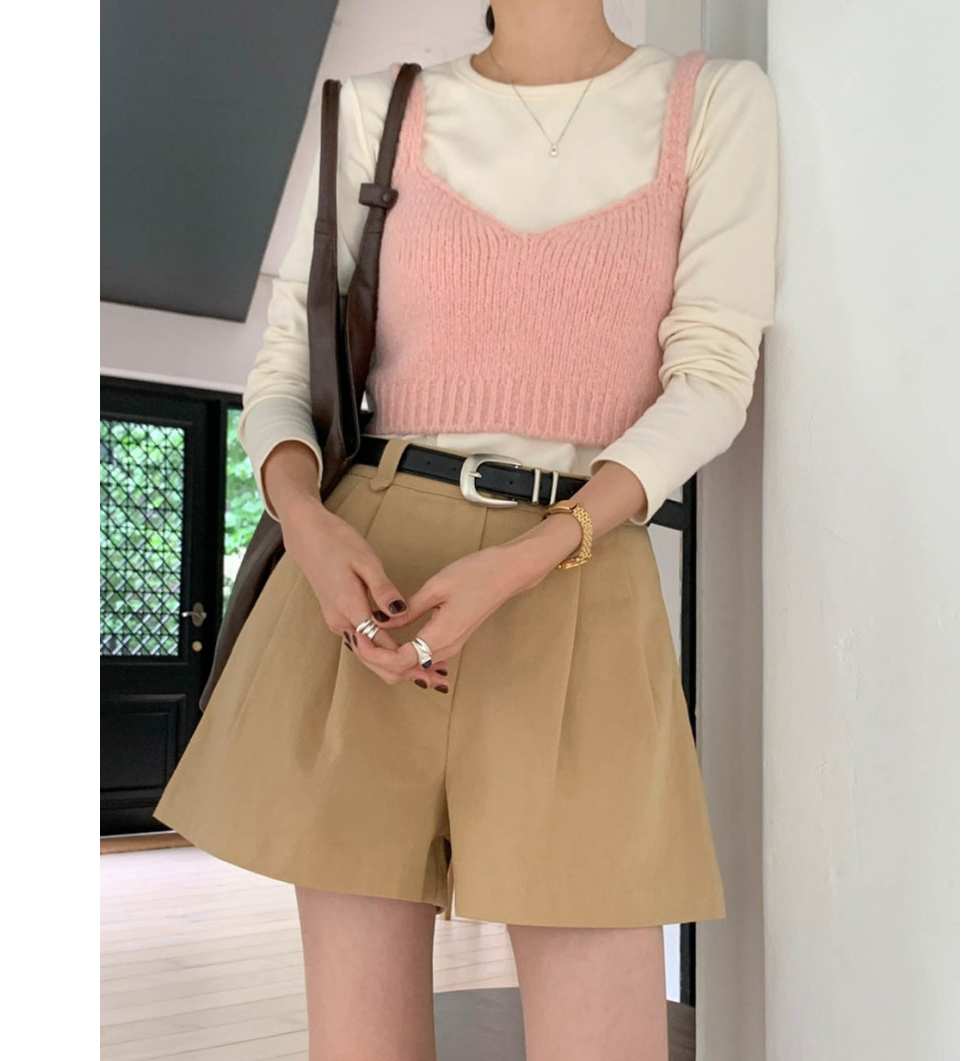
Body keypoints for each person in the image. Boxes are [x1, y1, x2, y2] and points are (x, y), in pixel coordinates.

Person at [153, 2, 779, 1058]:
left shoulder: (713, 103)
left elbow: (713, 376)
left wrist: (535, 553)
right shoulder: (374, 110)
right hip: (372, 579)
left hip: (578, 571)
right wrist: (305, 523)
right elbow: (283, 375)